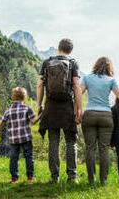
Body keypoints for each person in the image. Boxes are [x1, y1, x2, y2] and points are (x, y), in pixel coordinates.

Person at [79, 57, 119, 185]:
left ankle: (91, 180)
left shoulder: (87, 78)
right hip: (106, 116)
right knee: (104, 148)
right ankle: (103, 180)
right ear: (109, 68)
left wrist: (78, 110)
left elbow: (78, 93)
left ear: (96, 65)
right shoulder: (111, 80)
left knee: (90, 148)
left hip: (89, 114)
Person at [37, 38, 82, 183]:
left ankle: (54, 177)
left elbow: (40, 85)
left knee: (53, 142)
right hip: (67, 105)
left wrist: (39, 105)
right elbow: (76, 87)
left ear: (58, 48)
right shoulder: (73, 63)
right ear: (71, 50)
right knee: (71, 142)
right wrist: (79, 108)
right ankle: (72, 177)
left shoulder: (47, 62)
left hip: (51, 105)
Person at [0, 87, 40, 184]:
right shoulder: (27, 108)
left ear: (13, 98)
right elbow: (33, 122)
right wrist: (40, 115)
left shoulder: (9, 110)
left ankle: (14, 179)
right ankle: (30, 177)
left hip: (13, 138)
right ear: (24, 98)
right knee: (29, 157)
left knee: (14, 158)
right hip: (26, 137)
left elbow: (1, 122)